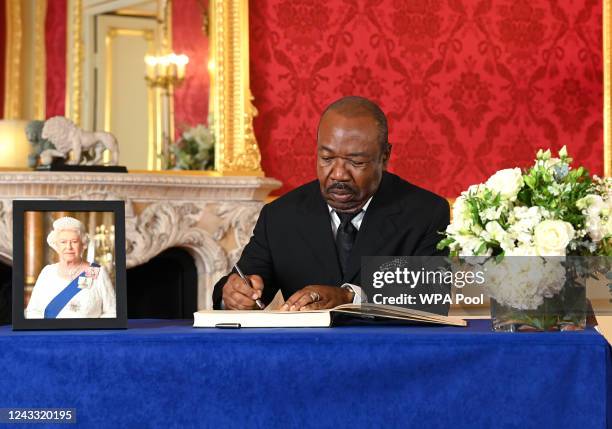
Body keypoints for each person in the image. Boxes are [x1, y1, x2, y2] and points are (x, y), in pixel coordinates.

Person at [213, 96, 450, 311]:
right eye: (326, 158)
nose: (338, 174)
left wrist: (350, 297)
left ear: (384, 156)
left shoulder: (425, 213)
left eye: (355, 162)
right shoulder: (280, 216)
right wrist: (233, 295)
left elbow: (431, 296)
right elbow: (244, 283)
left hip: (391, 352)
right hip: (305, 354)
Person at [25, 216, 116, 319]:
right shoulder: (47, 272)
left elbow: (112, 312)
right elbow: (33, 311)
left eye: (74, 241)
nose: (69, 247)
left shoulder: (97, 272)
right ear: (56, 245)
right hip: (52, 334)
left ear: (83, 244)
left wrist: (94, 332)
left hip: (87, 334)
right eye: (63, 242)